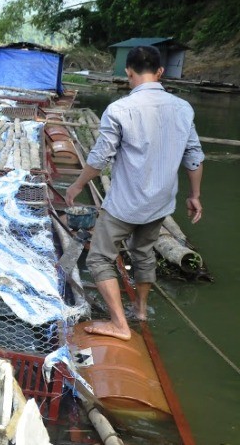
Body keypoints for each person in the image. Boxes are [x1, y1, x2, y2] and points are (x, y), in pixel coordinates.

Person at [65, 46, 204, 341]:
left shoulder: (119, 109)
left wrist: (77, 185)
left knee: (99, 259)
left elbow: (100, 157)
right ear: (161, 72)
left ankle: (119, 324)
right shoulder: (183, 108)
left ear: (128, 72)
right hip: (160, 204)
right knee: (143, 254)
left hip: (124, 205)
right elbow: (194, 156)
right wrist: (195, 196)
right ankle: (140, 310)